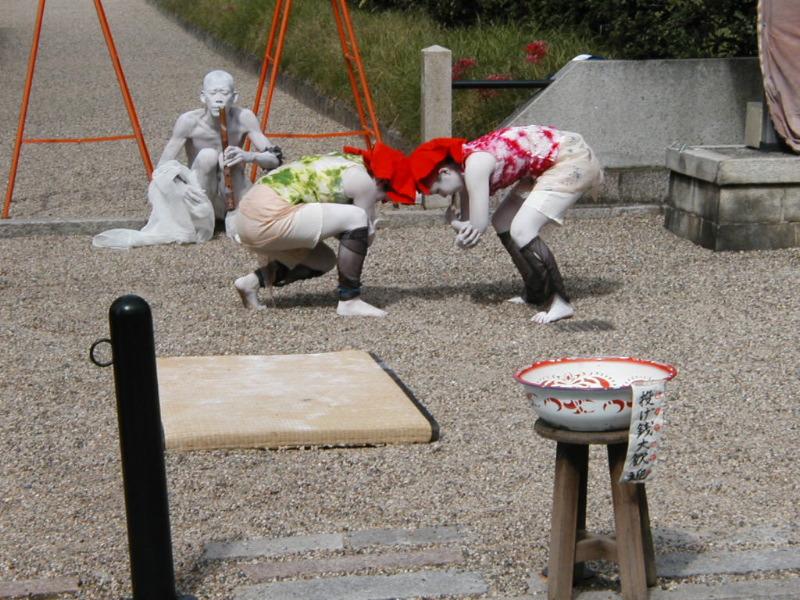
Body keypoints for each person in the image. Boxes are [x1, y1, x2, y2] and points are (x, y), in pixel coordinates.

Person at [409, 126, 602, 324]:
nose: (443, 195)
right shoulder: (466, 167)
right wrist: (457, 225)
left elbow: (477, 227)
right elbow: (472, 226)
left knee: (522, 229)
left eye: (439, 189)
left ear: (444, 172)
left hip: (570, 160)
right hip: (546, 164)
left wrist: (457, 224)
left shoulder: (475, 167)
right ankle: (535, 291)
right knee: (503, 221)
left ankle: (560, 301)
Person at [232, 143, 416, 317]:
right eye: (384, 197)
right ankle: (349, 300)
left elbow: (336, 227)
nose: (380, 202)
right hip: (267, 215)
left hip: (246, 216)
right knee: (357, 217)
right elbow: (362, 233)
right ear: (382, 181)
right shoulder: (364, 182)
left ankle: (251, 282)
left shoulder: (342, 163)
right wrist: (370, 229)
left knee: (323, 261)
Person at [158, 69, 283, 222]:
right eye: (213, 93)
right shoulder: (189, 122)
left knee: (229, 157)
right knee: (207, 156)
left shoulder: (244, 118)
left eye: (224, 93)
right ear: (203, 97)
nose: (218, 99)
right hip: (201, 193)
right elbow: (162, 167)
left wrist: (249, 156)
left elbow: (275, 160)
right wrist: (181, 188)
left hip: (234, 191)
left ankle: (235, 214)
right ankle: (203, 218)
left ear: (234, 97)